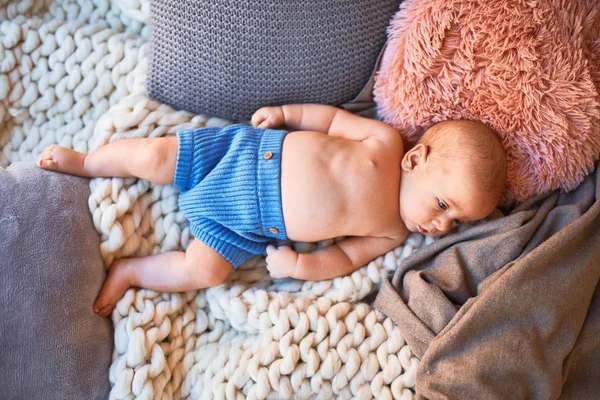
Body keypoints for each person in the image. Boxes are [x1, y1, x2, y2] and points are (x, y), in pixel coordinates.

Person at [37, 104, 506, 316]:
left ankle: (132, 272)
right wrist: (286, 114)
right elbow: (329, 120)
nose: (441, 225)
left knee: (206, 270)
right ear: (416, 159)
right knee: (156, 157)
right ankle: (88, 161)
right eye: (444, 204)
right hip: (240, 156)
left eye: (457, 222)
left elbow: (343, 259)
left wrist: (300, 264)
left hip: (244, 225)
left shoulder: (391, 233)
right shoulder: (382, 142)